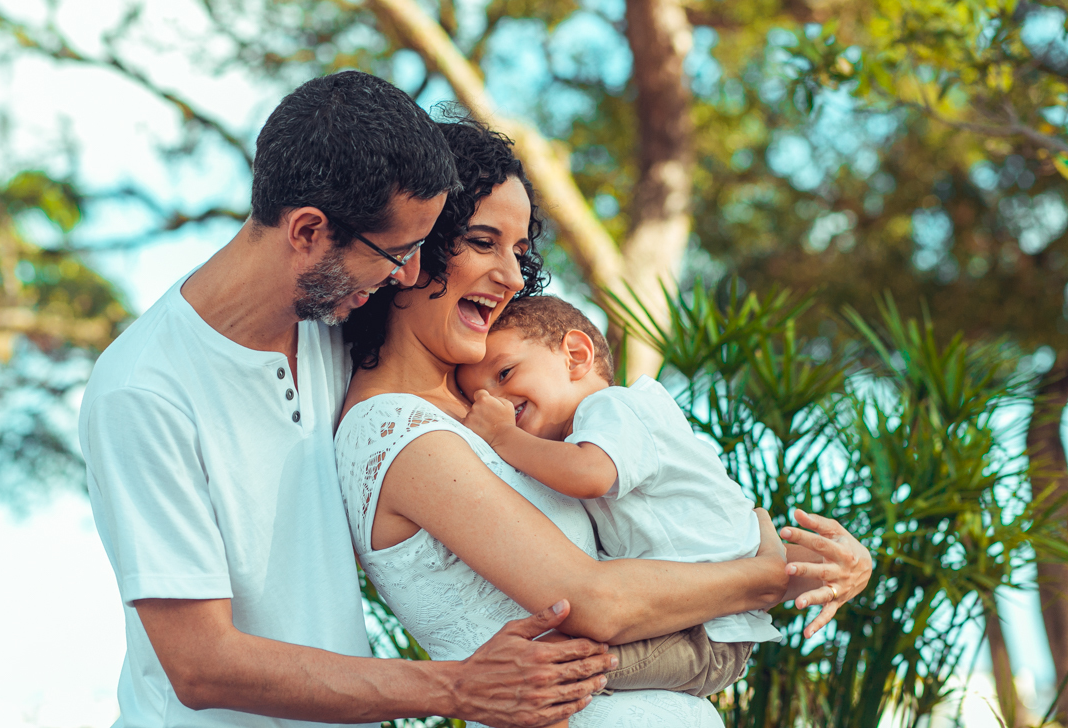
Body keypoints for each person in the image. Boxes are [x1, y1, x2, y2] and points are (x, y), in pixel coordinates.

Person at [78, 71, 619, 728]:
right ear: (308, 231)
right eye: (396, 252)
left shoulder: (334, 325)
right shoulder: (144, 391)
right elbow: (201, 664)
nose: (410, 274)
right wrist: (457, 688)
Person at [336, 115, 872, 727]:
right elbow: (595, 604)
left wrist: (822, 563)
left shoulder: (498, 417)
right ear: (411, 243)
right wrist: (768, 578)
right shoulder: (395, 431)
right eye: (484, 242)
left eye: (519, 252)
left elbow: (670, 529)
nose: (511, 277)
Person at [456, 294, 782, 698]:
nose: (494, 402)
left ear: (576, 356)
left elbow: (588, 475)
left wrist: (501, 436)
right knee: (541, 662)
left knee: (545, 663)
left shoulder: (613, 407)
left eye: (504, 373)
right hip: (688, 620)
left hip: (705, 630)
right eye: (477, 397)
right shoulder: (577, 439)